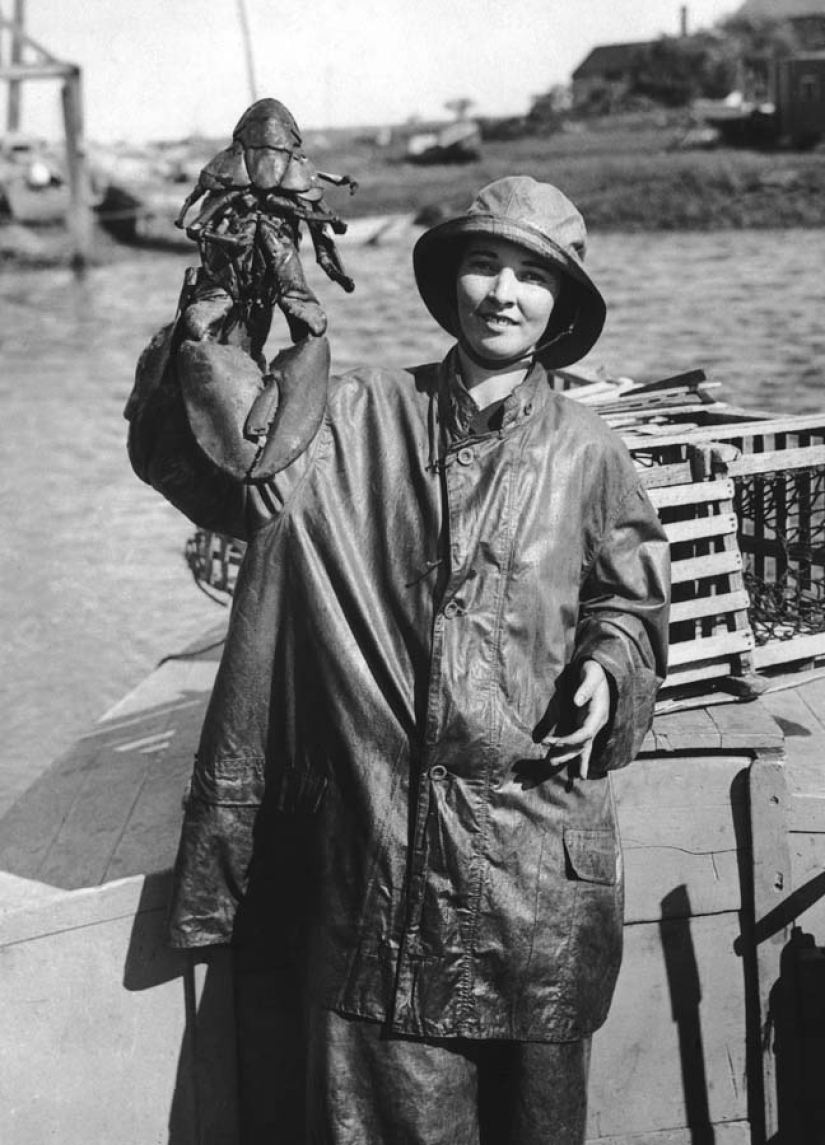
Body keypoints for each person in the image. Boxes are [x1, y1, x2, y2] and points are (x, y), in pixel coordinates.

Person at [127, 175, 670, 1144]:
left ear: (561, 308)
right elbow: (230, 475)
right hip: (386, 880)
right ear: (452, 283)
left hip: (535, 888)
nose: (504, 292)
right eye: (484, 263)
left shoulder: (593, 451)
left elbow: (632, 601)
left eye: (532, 276)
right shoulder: (354, 414)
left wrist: (609, 664)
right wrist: (209, 326)